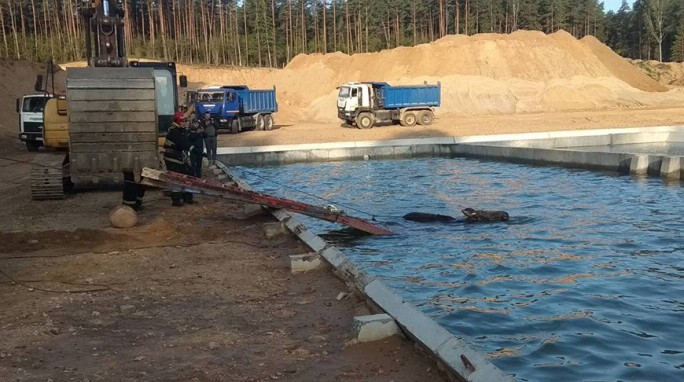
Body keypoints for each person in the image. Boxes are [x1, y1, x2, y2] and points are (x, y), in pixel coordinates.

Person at [163, 116, 203, 207]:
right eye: (183, 121)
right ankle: (176, 200)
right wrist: (197, 151)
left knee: (188, 174)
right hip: (172, 158)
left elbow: (187, 141)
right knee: (175, 178)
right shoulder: (174, 132)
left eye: (185, 121)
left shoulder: (180, 131)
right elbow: (184, 144)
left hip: (179, 157)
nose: (185, 123)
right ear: (178, 122)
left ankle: (188, 197)